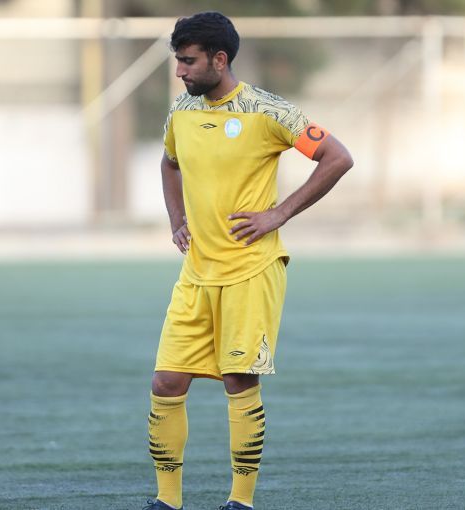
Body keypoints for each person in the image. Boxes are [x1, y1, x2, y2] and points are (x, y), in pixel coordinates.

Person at [145, 12, 353, 510]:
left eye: (188, 61)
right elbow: (169, 163)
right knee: (166, 382)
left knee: (239, 381)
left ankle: (241, 502)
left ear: (220, 59)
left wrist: (279, 213)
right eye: (178, 60)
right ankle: (167, 502)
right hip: (197, 272)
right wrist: (177, 218)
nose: (180, 71)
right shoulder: (181, 111)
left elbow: (338, 158)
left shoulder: (267, 111)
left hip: (251, 271)